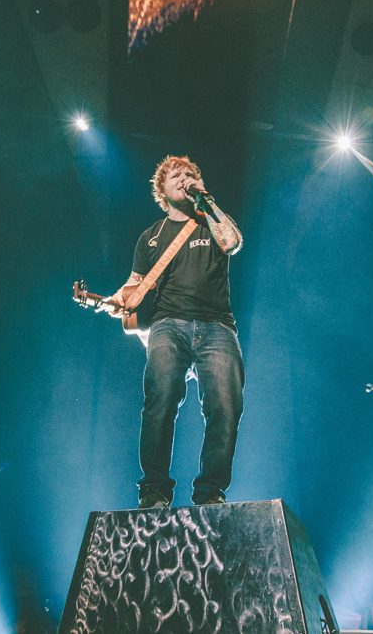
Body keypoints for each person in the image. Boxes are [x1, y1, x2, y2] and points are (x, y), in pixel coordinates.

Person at [110, 155, 244, 508]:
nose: (184, 179)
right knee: (161, 399)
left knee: (226, 404)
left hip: (217, 325)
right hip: (168, 324)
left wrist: (206, 200)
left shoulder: (211, 220)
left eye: (189, 174)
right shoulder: (151, 237)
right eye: (176, 176)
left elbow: (231, 242)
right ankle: (154, 489)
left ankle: (210, 492)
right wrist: (116, 299)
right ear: (162, 190)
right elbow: (134, 283)